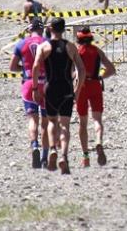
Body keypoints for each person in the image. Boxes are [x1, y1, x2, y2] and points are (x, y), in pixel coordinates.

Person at [32, 18, 85, 175]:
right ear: (63, 29)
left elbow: (35, 67)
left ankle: (53, 149)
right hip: (66, 88)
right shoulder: (71, 47)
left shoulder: (44, 47)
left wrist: (35, 88)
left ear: (50, 28)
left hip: (51, 88)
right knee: (65, 125)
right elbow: (81, 69)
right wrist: (78, 90)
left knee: (51, 122)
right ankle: (64, 156)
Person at [9, 18, 49, 168]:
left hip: (28, 83)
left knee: (33, 120)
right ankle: (45, 156)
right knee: (45, 122)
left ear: (29, 29)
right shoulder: (47, 43)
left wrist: (24, 70)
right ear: (42, 29)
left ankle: (34, 146)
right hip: (45, 84)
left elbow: (12, 67)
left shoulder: (21, 44)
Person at [75, 27, 116, 168]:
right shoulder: (97, 51)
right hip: (95, 85)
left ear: (78, 39)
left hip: (81, 87)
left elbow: (71, 73)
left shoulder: (77, 52)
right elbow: (111, 69)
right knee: (97, 119)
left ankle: (86, 156)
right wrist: (99, 77)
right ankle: (98, 141)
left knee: (83, 122)